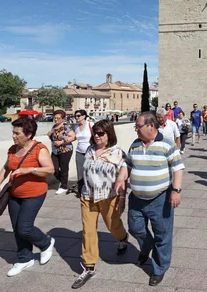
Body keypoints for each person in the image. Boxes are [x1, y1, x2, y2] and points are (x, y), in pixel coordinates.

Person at [115, 112, 185, 287]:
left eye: (138, 126)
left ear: (150, 126)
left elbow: (177, 168)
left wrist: (176, 191)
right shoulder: (136, 144)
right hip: (137, 199)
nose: (136, 129)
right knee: (135, 228)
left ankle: (159, 268)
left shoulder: (167, 145)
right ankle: (147, 247)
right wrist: (120, 178)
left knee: (162, 235)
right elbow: (127, 164)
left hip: (160, 198)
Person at [0, 117, 55, 277]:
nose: (13, 136)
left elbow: (50, 169)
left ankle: (46, 243)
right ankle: (24, 258)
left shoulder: (39, 149)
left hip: (34, 194)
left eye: (17, 133)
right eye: (13, 132)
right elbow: (6, 167)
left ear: (29, 134)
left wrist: (30, 170)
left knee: (24, 227)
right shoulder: (13, 149)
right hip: (14, 194)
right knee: (17, 229)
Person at [71, 120, 130, 289]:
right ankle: (89, 267)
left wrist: (122, 198)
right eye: (95, 133)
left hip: (108, 196)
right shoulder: (89, 150)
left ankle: (123, 238)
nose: (96, 136)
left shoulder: (118, 153)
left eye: (100, 133)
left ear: (109, 134)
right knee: (88, 231)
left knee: (113, 226)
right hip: (87, 197)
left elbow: (123, 178)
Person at [47, 110, 76, 195]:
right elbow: (53, 138)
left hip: (65, 150)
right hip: (55, 150)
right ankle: (63, 181)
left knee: (64, 168)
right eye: (55, 118)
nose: (56, 120)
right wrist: (49, 135)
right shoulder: (53, 127)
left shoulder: (66, 126)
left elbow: (73, 137)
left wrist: (62, 142)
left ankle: (64, 186)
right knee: (53, 168)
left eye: (58, 118)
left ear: (63, 119)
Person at [70, 109, 93, 194]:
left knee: (89, 171)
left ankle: (90, 189)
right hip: (79, 151)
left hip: (90, 151)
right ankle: (80, 190)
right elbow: (73, 137)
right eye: (75, 116)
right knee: (80, 172)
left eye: (79, 116)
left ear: (84, 116)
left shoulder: (90, 124)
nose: (77, 117)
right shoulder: (76, 127)